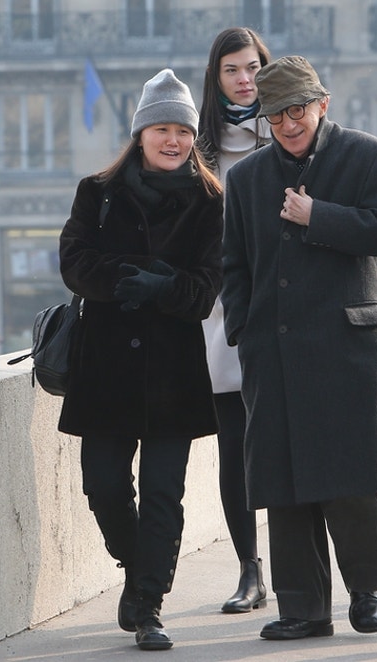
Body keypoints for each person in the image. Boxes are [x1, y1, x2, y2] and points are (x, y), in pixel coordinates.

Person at [221, 55, 377, 640]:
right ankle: (301, 607)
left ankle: (366, 591)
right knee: (284, 486)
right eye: (275, 115)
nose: (287, 124)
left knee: (347, 480)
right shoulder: (247, 178)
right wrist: (244, 331)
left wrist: (315, 214)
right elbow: (234, 265)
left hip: (343, 346)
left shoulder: (367, 155)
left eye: (297, 110)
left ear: (322, 103)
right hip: (270, 352)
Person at [58, 68, 223, 651]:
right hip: (104, 368)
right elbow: (73, 261)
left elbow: (204, 291)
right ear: (141, 133)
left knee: (161, 492)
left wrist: (161, 287)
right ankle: (137, 568)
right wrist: (122, 280)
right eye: (161, 129)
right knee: (103, 485)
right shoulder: (96, 193)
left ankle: (149, 605)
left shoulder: (209, 202)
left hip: (172, 372)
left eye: (182, 129)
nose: (172, 140)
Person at [196, 27, 271, 614]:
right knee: (232, 448)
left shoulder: (290, 130)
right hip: (221, 313)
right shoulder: (200, 146)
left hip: (284, 308)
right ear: (215, 77)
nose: (244, 79)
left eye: (252, 68)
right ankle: (249, 569)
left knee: (293, 442)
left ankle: (307, 563)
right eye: (232, 70)